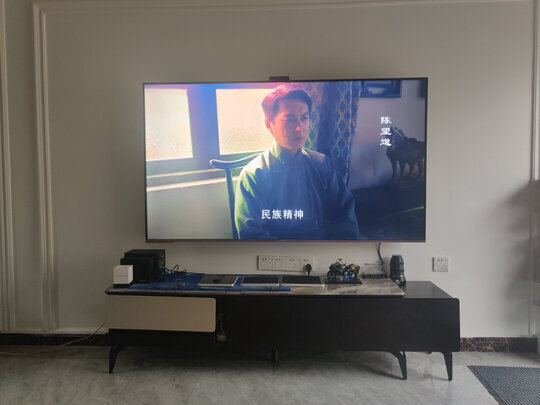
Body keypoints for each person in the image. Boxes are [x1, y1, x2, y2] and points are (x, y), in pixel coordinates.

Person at [234, 85, 360, 239]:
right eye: (290, 120)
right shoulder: (253, 175)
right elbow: (252, 234)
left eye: (304, 118)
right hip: (279, 251)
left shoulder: (322, 164)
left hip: (324, 248)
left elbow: (345, 215)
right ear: (269, 124)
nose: (300, 128)